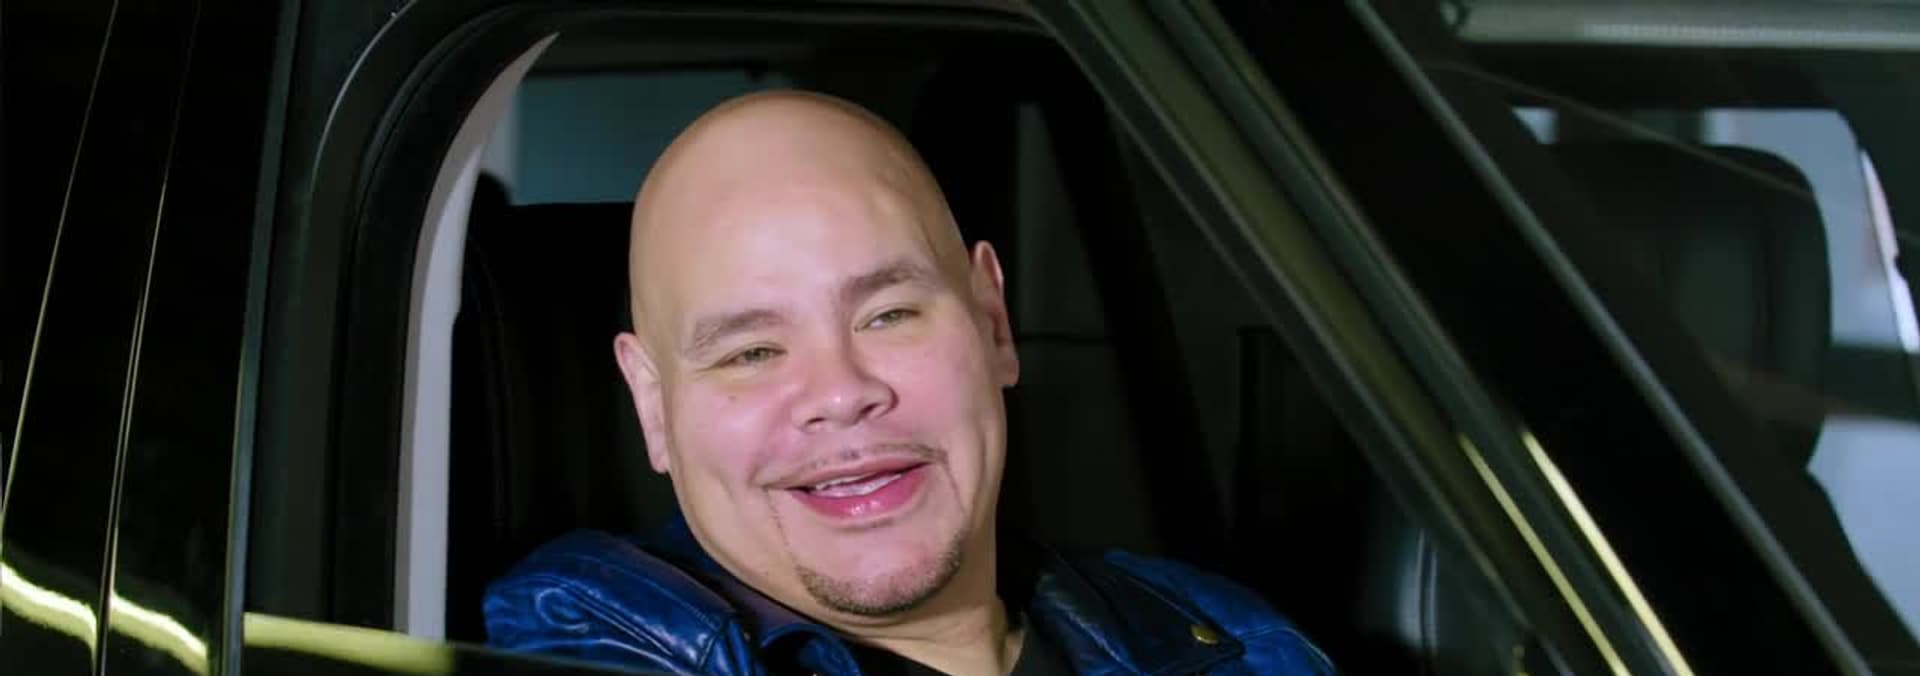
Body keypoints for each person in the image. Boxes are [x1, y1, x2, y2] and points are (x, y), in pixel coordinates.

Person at [482, 90, 1335, 675]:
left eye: (888, 315)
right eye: (751, 353)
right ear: (653, 406)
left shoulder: (1230, 638)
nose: (840, 392)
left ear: (992, 323)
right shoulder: (581, 638)